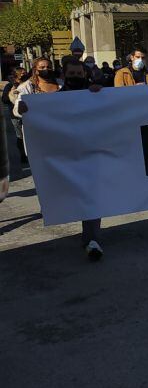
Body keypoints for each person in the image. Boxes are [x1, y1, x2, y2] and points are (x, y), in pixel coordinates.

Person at [15, 59, 105, 261]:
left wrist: (102, 91)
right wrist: (22, 109)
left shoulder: (96, 94)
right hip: (61, 154)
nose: (76, 76)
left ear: (85, 74)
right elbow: (20, 108)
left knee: (91, 195)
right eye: (71, 73)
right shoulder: (55, 99)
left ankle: (92, 238)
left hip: (90, 152)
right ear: (64, 75)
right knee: (67, 193)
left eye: (79, 73)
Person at [2, 67, 28, 163]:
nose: (24, 74)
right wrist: (11, 93)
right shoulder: (10, 85)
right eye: (21, 73)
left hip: (28, 114)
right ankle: (23, 155)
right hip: (15, 116)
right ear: (16, 75)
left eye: (25, 72)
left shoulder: (29, 84)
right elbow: (4, 100)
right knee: (20, 136)